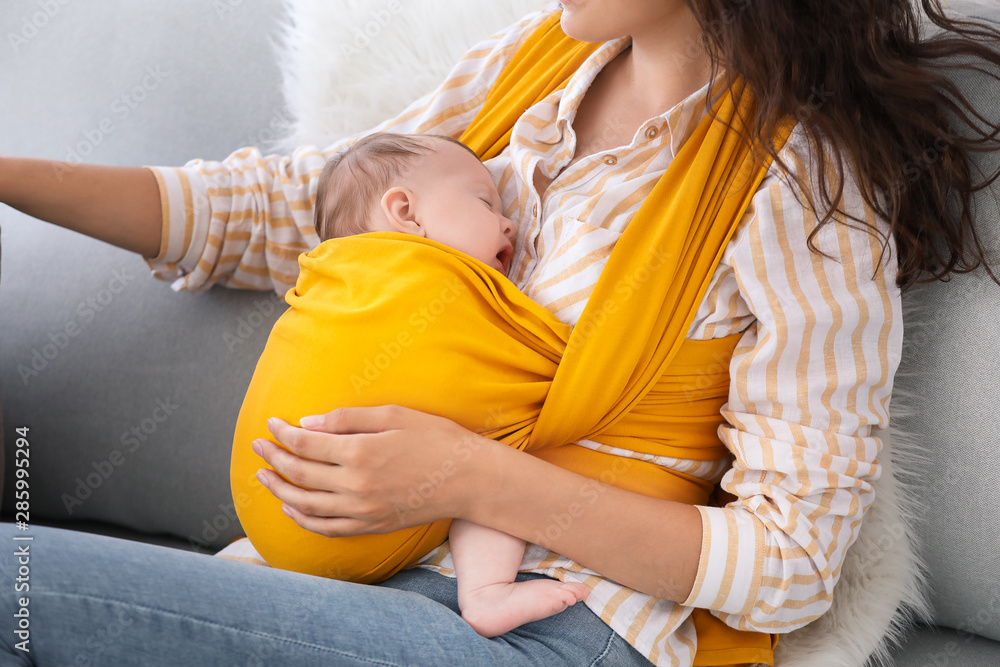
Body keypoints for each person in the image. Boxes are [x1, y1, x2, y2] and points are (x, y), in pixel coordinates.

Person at [3, 1, 1000, 665]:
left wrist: (468, 477)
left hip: (564, 629)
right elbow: (298, 207)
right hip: (380, 581)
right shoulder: (540, 68)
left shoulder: (800, 193)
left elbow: (787, 564)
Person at [236, 129, 592, 638]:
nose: (507, 221)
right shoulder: (432, 287)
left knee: (485, 463)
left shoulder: (339, 281)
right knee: (510, 458)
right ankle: (486, 591)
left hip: (266, 516)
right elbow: (549, 372)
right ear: (405, 213)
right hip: (331, 522)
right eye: (484, 202)